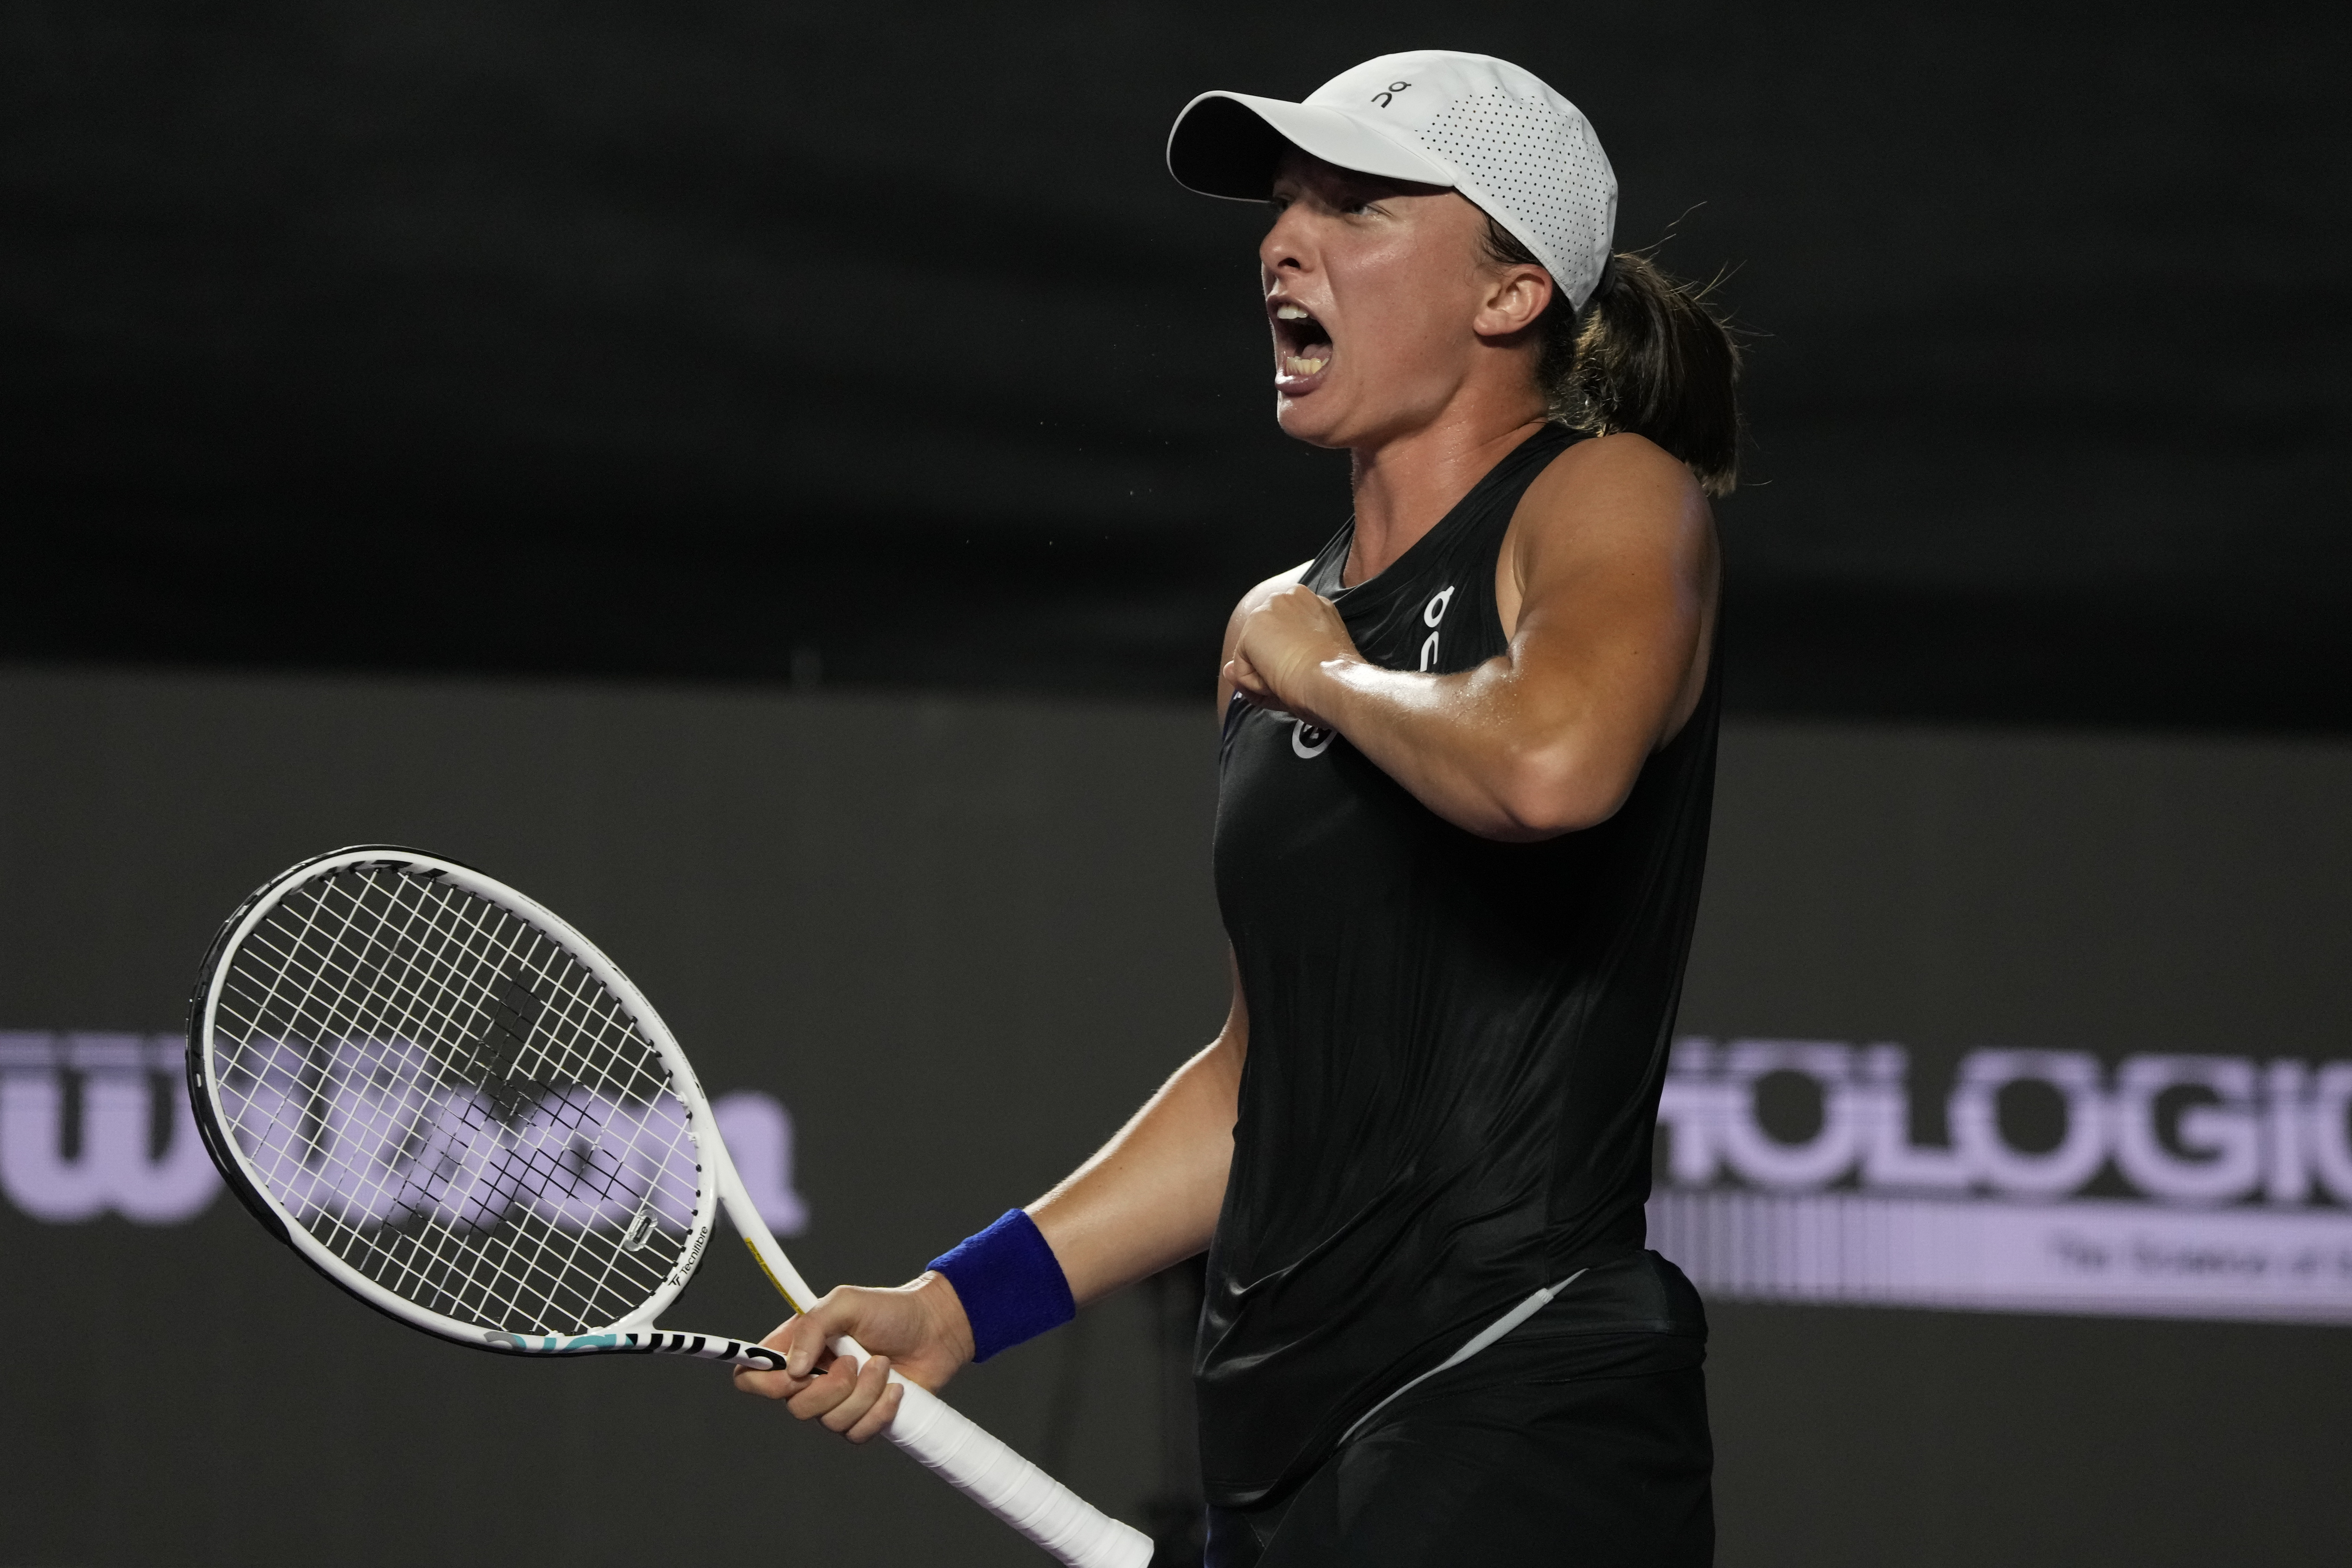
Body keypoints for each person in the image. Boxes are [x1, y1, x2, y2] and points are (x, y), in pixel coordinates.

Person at [736, 49, 1740, 1566]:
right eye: (1284, 204)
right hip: (1278, 1438)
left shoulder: (1607, 494)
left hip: (1520, 1392)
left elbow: (1552, 764)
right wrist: (956, 1304)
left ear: (1511, 292)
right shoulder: (1281, 619)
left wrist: (1322, 670)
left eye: (1354, 205)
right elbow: (1253, 1081)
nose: (1284, 242)